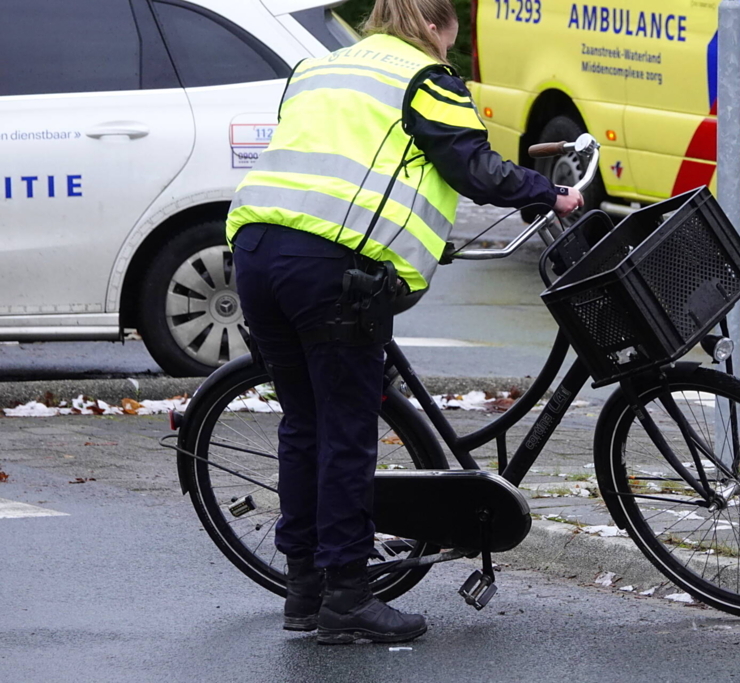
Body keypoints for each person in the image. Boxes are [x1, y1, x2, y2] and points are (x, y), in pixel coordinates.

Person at [226, 0, 583, 645]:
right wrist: (548, 191)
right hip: (332, 271)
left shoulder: (318, 69)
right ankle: (347, 598)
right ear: (439, 27)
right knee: (346, 432)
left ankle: (303, 591)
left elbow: (356, 160)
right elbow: (475, 167)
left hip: (255, 253)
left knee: (305, 423)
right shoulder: (427, 79)